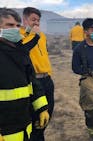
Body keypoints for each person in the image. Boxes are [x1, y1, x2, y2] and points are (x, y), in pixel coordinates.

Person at [0, 8, 49, 141]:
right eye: (9, 25)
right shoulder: (23, 42)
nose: (15, 29)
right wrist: (34, 35)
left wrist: (42, 108)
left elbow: (31, 81)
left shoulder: (18, 51)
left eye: (17, 25)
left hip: (23, 125)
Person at [20, 7, 54, 141]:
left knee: (47, 113)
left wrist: (49, 73)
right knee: (35, 116)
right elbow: (22, 51)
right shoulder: (19, 35)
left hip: (47, 79)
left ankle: (39, 136)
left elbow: (44, 55)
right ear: (24, 19)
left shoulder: (42, 35)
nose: (36, 23)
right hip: (32, 82)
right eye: (33, 20)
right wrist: (33, 34)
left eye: (38, 20)